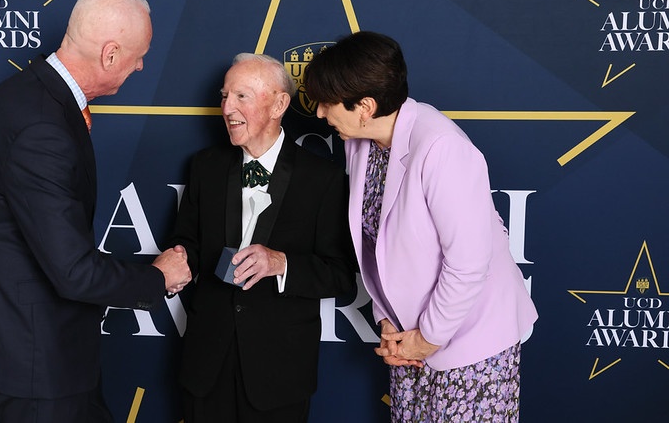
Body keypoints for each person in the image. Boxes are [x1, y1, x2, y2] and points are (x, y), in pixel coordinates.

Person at [0, 0, 192, 423]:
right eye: (138, 55)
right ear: (110, 55)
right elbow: (73, 272)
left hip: (44, 351)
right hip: (36, 358)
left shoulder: (32, 98)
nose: (140, 67)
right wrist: (157, 279)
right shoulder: (42, 126)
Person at [304, 31, 537, 422]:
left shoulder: (441, 147)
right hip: (410, 342)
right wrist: (390, 324)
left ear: (365, 106)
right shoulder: (360, 140)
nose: (319, 114)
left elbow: (467, 263)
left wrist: (426, 340)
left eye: (327, 103)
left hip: (471, 342)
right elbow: (376, 245)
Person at [170, 53, 356, 423]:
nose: (227, 108)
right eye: (224, 96)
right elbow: (186, 243)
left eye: (242, 96)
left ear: (279, 104)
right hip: (206, 367)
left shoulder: (324, 180)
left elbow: (340, 275)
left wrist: (281, 263)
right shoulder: (205, 166)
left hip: (279, 374)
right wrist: (176, 262)